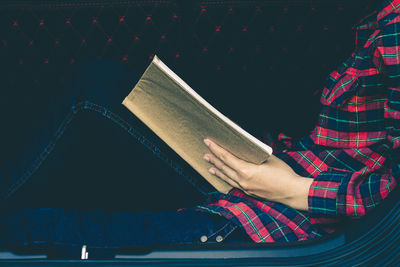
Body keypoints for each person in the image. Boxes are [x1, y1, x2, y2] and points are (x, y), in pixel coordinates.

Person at [0, 0, 399, 258]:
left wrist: (296, 190)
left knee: (35, 231)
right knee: (97, 86)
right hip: (279, 169)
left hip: (289, 218)